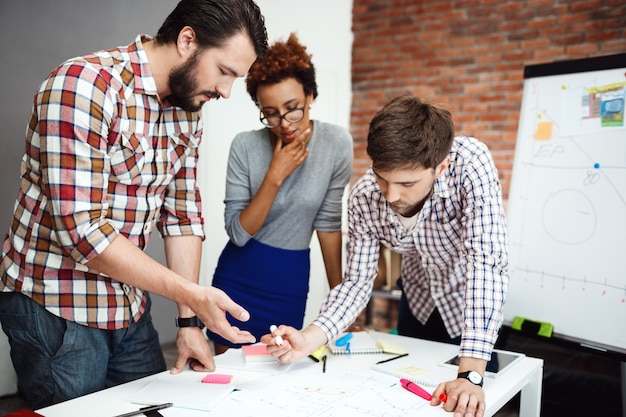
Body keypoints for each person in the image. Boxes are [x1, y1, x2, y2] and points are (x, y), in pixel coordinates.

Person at [0, 0, 268, 409]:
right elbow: (83, 232)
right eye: (225, 72)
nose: (226, 91)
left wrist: (188, 320)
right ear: (187, 40)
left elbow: (182, 216)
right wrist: (193, 294)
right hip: (55, 306)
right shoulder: (83, 85)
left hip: (126, 303)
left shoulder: (187, 109)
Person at [261, 95, 509, 417]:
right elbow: (357, 282)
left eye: (407, 183)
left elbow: (485, 264)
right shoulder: (365, 196)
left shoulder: (470, 163)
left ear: (441, 166)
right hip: (419, 300)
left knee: (477, 401)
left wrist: (470, 375)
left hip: (472, 303)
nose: (391, 195)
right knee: (418, 402)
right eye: (382, 177)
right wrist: (309, 339)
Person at [206, 33, 353, 354]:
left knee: (280, 370)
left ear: (310, 96)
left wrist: (341, 309)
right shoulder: (245, 146)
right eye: (270, 112)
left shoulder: (336, 144)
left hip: (290, 280)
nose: (284, 123)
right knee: (227, 379)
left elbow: (328, 225)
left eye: (293, 109)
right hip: (238, 279)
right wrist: (275, 174)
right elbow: (238, 233)